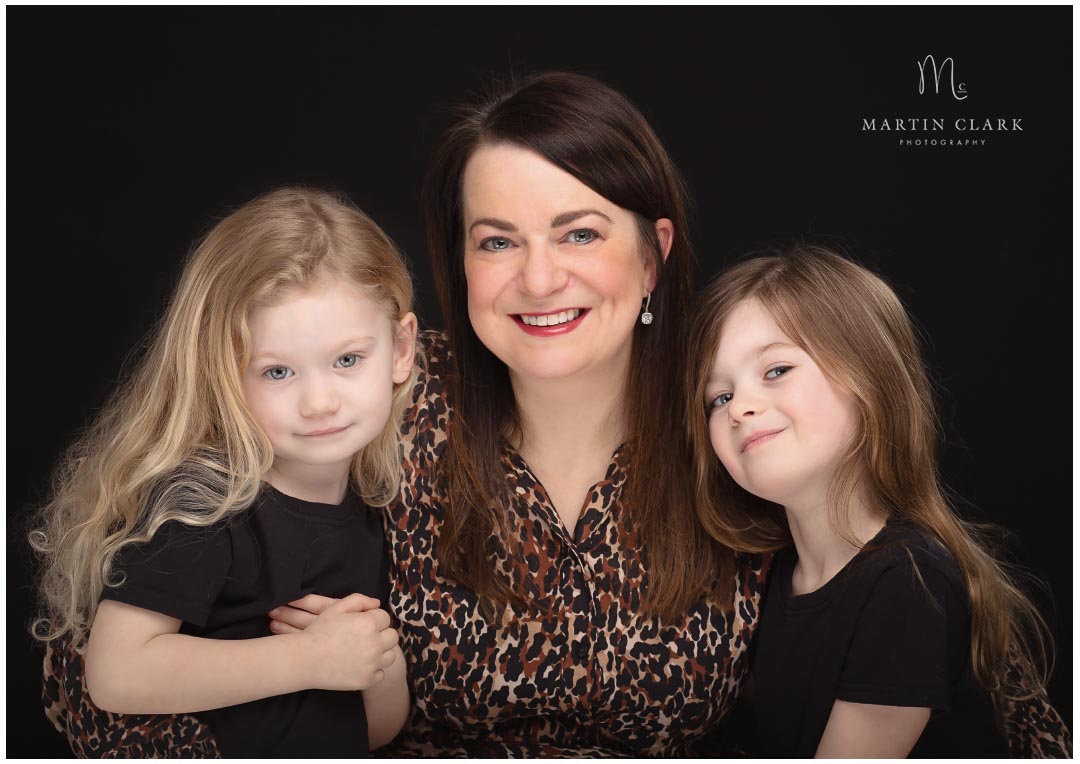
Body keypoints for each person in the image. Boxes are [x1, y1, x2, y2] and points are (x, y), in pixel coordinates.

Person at [39, 73, 769, 756]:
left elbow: (864, 575)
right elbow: (102, 670)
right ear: (459, 263)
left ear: (651, 257)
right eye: (497, 241)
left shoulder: (734, 415)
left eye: (579, 233)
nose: (540, 278)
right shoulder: (379, 408)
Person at [32, 187, 416, 756]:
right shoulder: (202, 503)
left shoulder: (372, 506)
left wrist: (376, 663)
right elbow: (116, 675)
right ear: (220, 374)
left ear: (401, 349)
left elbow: (374, 733)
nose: (319, 402)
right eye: (277, 371)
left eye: (347, 360)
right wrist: (307, 659)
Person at [685, 245, 1071, 757]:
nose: (740, 408)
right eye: (720, 397)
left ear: (868, 376)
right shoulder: (768, 581)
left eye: (776, 370)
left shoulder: (909, 581)